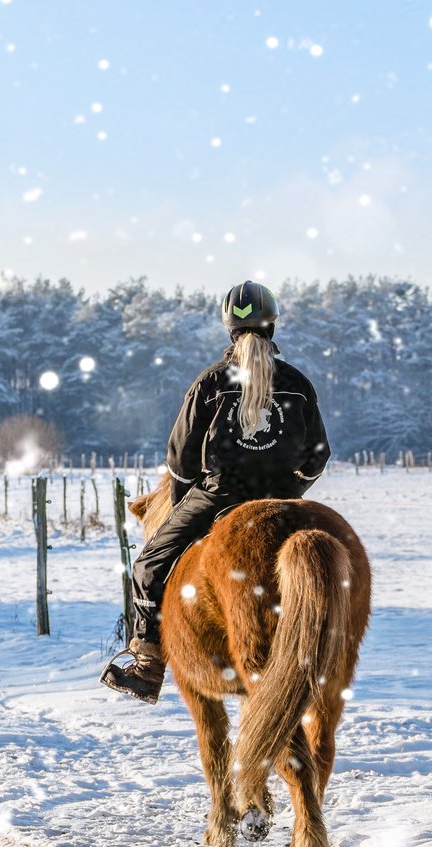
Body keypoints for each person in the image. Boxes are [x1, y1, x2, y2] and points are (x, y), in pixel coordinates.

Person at [101, 280, 331, 704]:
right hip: (283, 499)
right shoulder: (298, 384)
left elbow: (181, 459)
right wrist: (292, 492)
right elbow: (318, 456)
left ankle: (148, 664)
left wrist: (188, 499)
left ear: (229, 328)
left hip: (219, 496)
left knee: (149, 565)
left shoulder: (210, 382)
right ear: (273, 324)